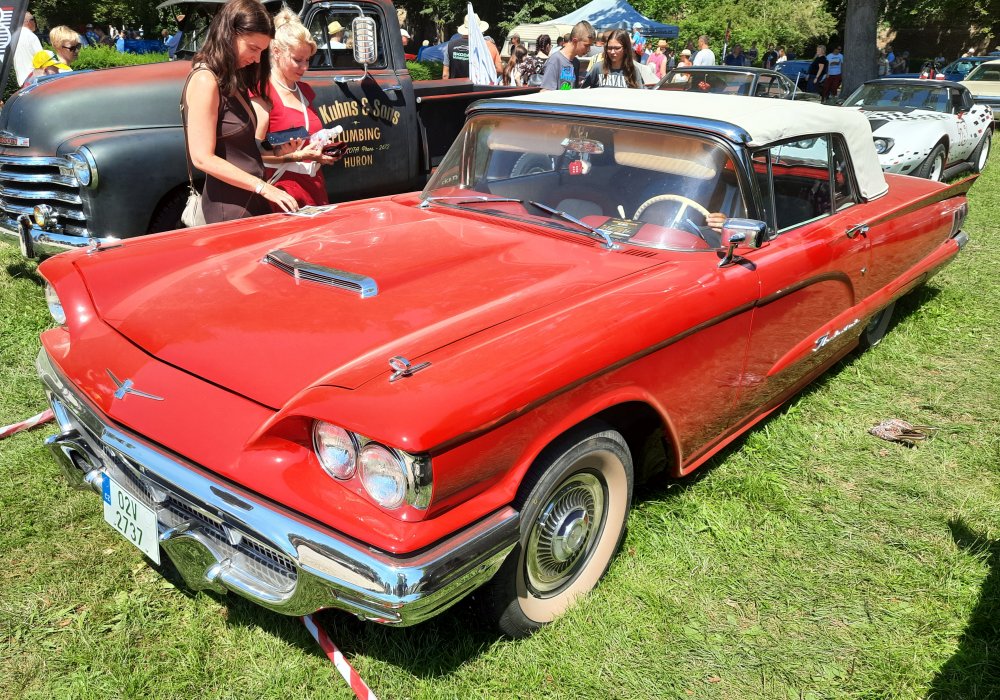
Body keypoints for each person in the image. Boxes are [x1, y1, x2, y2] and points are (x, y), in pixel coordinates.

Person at [183, 0, 297, 222]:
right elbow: (202, 158)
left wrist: (275, 151)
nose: (256, 59)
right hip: (229, 208)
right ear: (229, 34)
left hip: (249, 201)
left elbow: (239, 147)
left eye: (261, 52)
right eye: (253, 48)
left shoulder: (232, 77)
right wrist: (262, 187)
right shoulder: (206, 80)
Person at [251, 9, 343, 210]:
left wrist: (322, 150)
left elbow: (309, 137)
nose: (304, 67)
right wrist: (299, 156)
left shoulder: (305, 91)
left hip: (313, 187)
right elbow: (254, 153)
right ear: (276, 52)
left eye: (307, 60)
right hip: (281, 192)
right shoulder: (263, 91)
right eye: (297, 60)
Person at [584, 29, 656, 89]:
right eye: (609, 48)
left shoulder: (633, 71)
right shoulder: (597, 68)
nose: (612, 52)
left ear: (625, 49)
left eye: (617, 48)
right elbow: (583, 92)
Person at [540, 21, 595, 90]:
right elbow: (545, 91)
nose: (589, 49)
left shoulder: (576, 62)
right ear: (575, 41)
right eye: (587, 45)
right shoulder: (555, 60)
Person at [443, 13, 500, 79]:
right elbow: (499, 70)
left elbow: (445, 74)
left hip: (455, 87)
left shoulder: (450, 45)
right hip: (478, 87)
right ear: (480, 30)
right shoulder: (486, 46)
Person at [13, 11, 43, 86]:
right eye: (34, 20)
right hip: (34, 78)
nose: (35, 23)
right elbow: (42, 58)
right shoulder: (31, 36)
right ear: (28, 21)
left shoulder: (14, 37)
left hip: (22, 80)